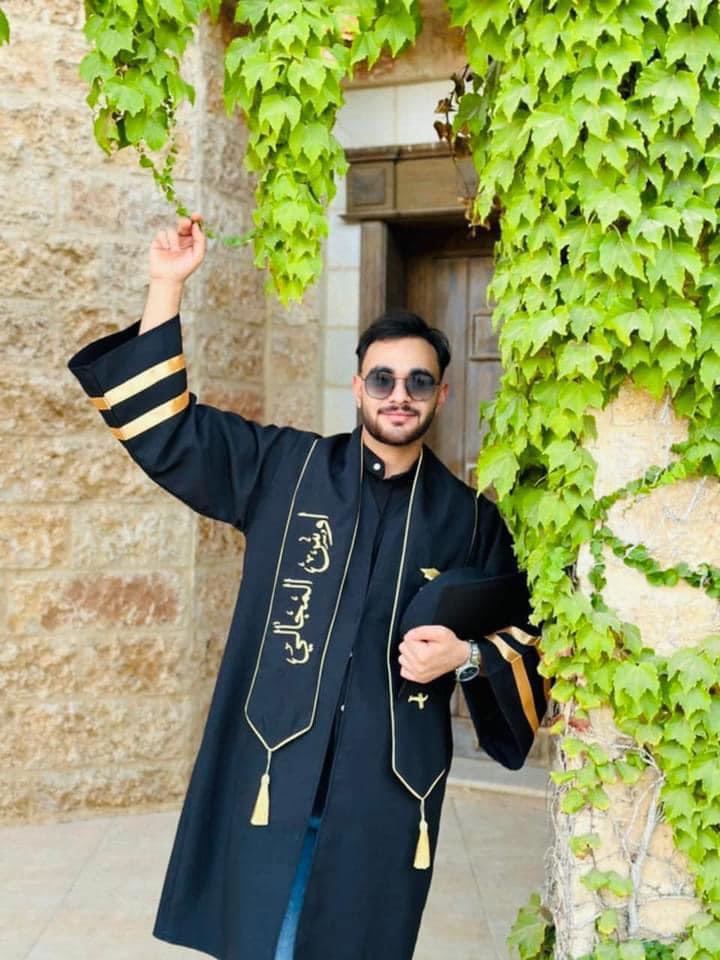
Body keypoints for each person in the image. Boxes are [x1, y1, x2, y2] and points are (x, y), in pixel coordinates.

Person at [68, 214, 546, 960]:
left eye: (418, 381)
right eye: (383, 379)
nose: (399, 394)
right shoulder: (284, 471)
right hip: (272, 770)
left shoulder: (470, 521)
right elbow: (168, 433)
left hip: (385, 792)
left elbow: (530, 633)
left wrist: (464, 657)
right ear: (358, 387)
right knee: (268, 939)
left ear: (442, 394)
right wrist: (166, 285)